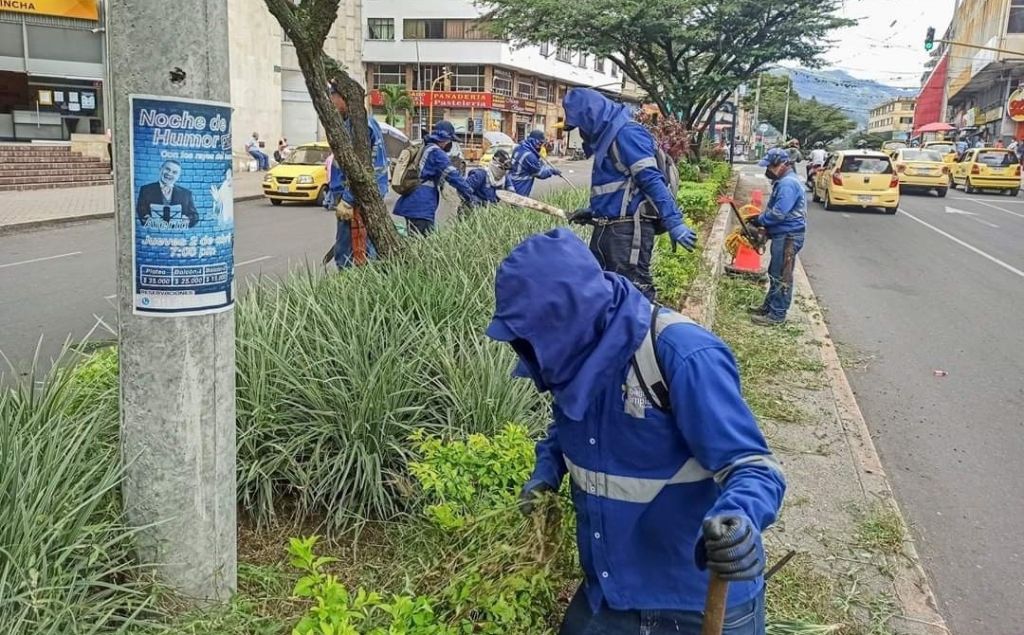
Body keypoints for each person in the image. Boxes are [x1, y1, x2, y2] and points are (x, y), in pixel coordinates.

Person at [487, 227, 785, 635]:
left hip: (692, 600)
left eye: (535, 337)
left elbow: (754, 467)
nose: (531, 351)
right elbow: (569, 424)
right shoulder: (572, 356)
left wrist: (740, 521)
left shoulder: (681, 355)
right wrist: (547, 469)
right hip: (611, 591)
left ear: (571, 318)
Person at [562, 87, 696, 299]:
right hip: (608, 230)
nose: (581, 132)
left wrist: (674, 222)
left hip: (628, 231)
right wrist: (594, 212)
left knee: (633, 294)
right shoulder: (609, 139)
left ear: (591, 116)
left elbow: (651, 180)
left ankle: (647, 332)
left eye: (580, 125)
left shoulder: (627, 133)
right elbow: (619, 188)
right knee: (604, 293)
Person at [327, 82, 389, 268]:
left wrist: (347, 199)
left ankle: (351, 286)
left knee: (352, 247)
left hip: (357, 195)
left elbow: (361, 168)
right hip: (357, 193)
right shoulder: (358, 122)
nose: (331, 103)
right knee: (358, 244)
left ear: (343, 98)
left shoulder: (358, 126)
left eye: (333, 98)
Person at [749, 148, 807, 326]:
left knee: (782, 275)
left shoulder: (787, 184)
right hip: (784, 233)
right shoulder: (783, 181)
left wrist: (760, 220)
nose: (768, 171)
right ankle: (769, 307)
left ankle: (777, 315)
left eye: (770, 167)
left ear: (781, 164)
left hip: (788, 235)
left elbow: (778, 214)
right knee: (775, 272)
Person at [394, 120, 477, 235]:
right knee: (421, 244)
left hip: (414, 203)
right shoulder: (436, 153)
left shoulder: (426, 148)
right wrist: (469, 192)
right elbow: (453, 175)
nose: (450, 144)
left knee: (418, 240)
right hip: (420, 206)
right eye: (450, 141)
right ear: (444, 139)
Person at [135, 159, 199, 228]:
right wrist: (146, 218)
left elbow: (195, 216)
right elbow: (140, 209)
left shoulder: (186, 194)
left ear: (178, 176)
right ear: (161, 169)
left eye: (174, 172)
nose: (170, 174)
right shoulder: (145, 190)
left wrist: (188, 220)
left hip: (177, 234)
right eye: (167, 169)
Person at [510, 130, 561, 196]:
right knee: (519, 203)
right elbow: (540, 173)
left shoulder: (519, 147)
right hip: (521, 184)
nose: (540, 146)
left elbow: (537, 164)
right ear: (533, 141)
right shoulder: (529, 156)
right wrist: (552, 171)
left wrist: (542, 163)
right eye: (539, 143)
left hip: (512, 180)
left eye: (542, 144)